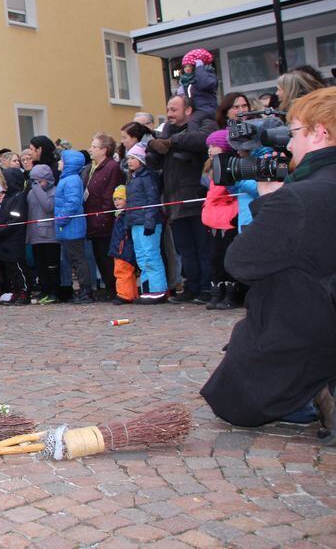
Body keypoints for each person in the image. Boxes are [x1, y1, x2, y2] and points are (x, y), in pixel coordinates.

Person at [201, 86, 336, 443]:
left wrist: (269, 201)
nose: (289, 146)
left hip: (307, 330)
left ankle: (311, 393)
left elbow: (242, 263)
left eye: (294, 134)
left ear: (320, 132)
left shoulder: (299, 198)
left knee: (232, 399)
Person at [146, 95, 217, 303]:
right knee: (184, 248)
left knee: (202, 247)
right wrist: (153, 149)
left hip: (196, 197)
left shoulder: (204, 124)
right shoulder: (167, 130)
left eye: (174, 110)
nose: (169, 114)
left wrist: (171, 142)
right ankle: (191, 286)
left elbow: (203, 140)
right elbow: (156, 162)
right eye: (168, 109)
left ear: (188, 110)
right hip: (174, 199)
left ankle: (205, 287)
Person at [201, 130, 242, 310]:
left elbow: (233, 191)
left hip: (228, 217)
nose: (210, 149)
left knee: (227, 256)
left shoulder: (230, 166)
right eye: (209, 146)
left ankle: (231, 293)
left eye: (214, 146)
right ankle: (217, 291)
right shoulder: (209, 166)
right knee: (215, 257)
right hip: (213, 219)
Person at [124, 144, 167, 304]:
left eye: (133, 158)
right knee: (141, 257)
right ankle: (147, 289)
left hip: (148, 223)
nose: (129, 161)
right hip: (135, 222)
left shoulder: (148, 177)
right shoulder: (133, 178)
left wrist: (150, 222)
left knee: (151, 255)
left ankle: (158, 289)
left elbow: (152, 200)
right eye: (128, 158)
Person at [84, 134, 124, 299]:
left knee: (107, 257)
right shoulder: (94, 167)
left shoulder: (111, 167)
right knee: (99, 256)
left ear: (104, 150)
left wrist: (103, 218)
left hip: (104, 221)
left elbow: (109, 195)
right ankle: (109, 288)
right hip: (93, 219)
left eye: (94, 146)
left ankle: (114, 288)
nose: (90, 149)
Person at [54, 149, 92, 303]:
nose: (59, 163)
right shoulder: (67, 179)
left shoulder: (71, 180)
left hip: (72, 227)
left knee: (78, 259)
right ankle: (81, 290)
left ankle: (86, 291)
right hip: (68, 227)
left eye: (62, 160)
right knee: (72, 259)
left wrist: (61, 219)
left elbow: (72, 202)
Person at [0, 167, 30, 305]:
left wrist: (0, 231)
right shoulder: (8, 197)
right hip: (4, 238)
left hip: (14, 237)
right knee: (9, 268)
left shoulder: (19, 197)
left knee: (18, 266)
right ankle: (17, 291)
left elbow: (16, 219)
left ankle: (24, 292)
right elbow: (1, 217)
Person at [26, 164, 59, 304]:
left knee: (51, 265)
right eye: (35, 181)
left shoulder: (53, 192)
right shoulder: (31, 192)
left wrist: (37, 188)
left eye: (40, 181)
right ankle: (45, 289)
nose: (37, 184)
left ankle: (54, 292)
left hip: (49, 235)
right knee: (40, 266)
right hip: (35, 235)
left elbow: (48, 206)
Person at [108, 185, 138, 304]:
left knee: (122, 272)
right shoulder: (120, 215)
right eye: (115, 199)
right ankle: (132, 294)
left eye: (120, 198)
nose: (117, 202)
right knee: (128, 273)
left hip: (122, 249)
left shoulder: (125, 215)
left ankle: (124, 294)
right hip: (120, 248)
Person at [177, 48, 218, 124]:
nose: (187, 69)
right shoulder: (187, 80)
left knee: (193, 121)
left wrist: (199, 68)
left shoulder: (208, 74)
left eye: (190, 66)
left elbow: (204, 84)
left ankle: (193, 136)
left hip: (207, 109)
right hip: (194, 109)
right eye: (185, 66)